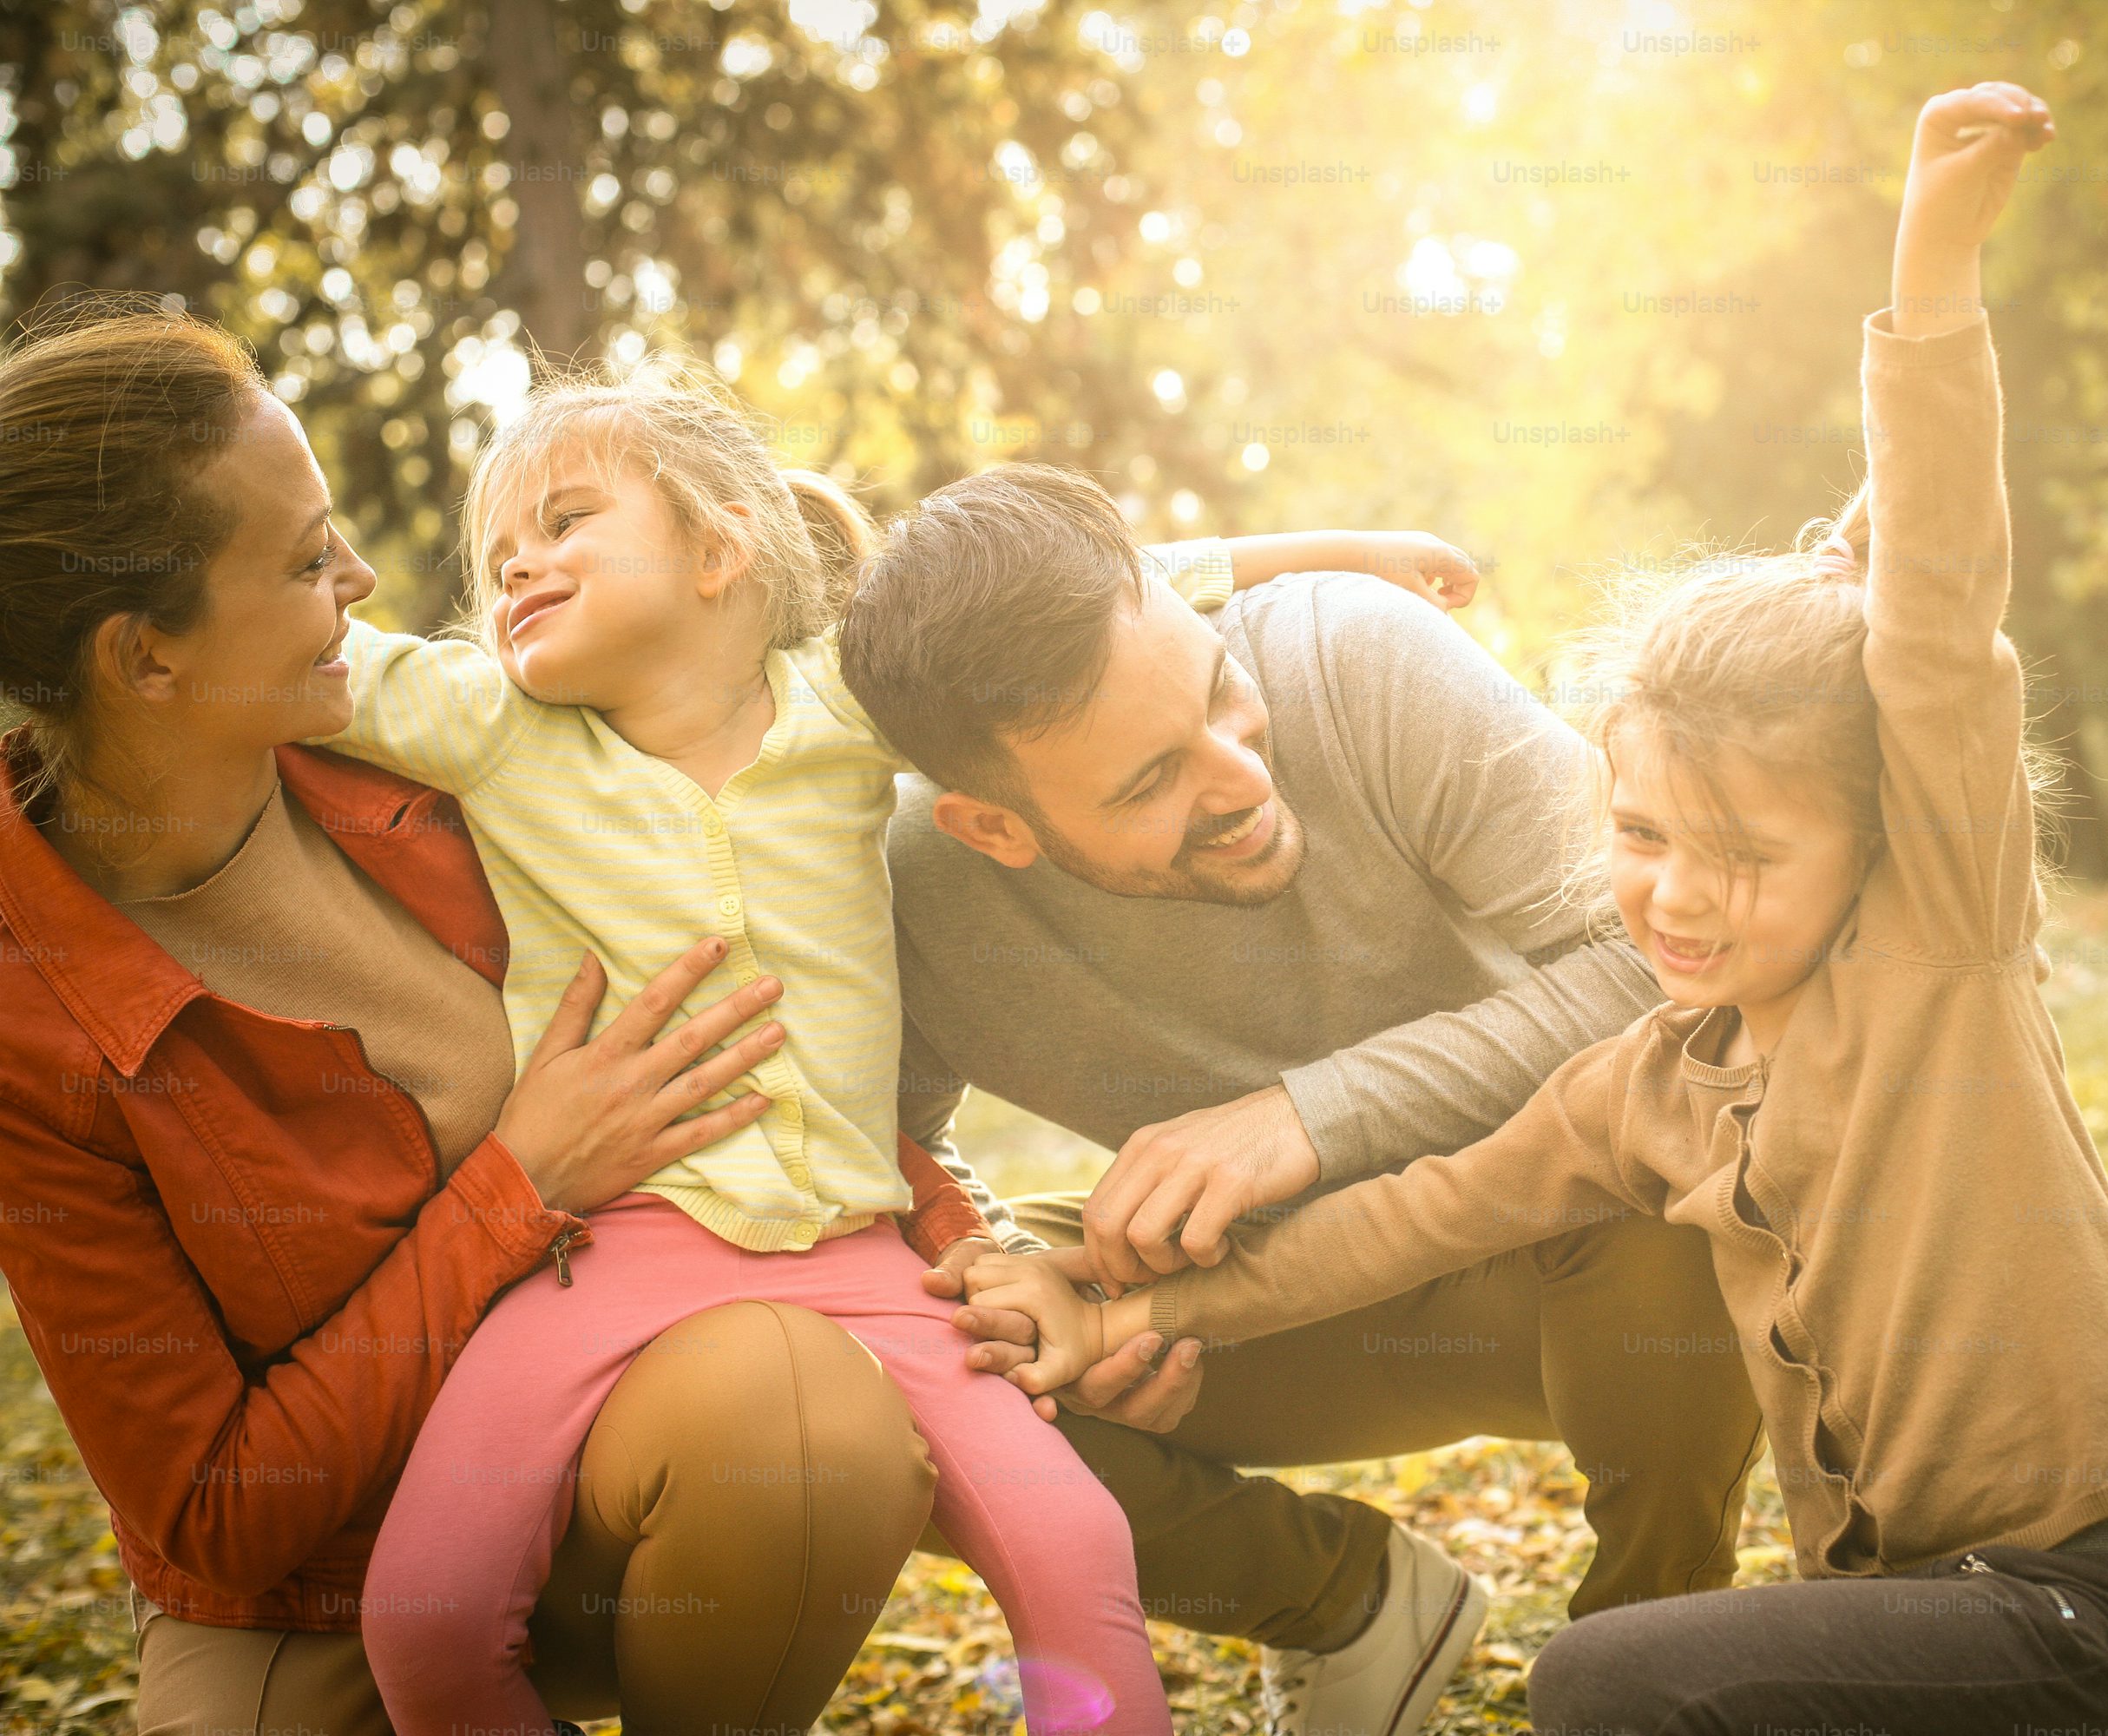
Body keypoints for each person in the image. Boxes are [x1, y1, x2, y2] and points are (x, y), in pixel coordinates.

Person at [965, 82, 2108, 1736]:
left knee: (1610, 1683)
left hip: (2089, 1611)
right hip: (1918, 1626)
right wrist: (1123, 1308)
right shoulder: (1650, 1084)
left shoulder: (1943, 954)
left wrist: (1930, 269)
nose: (1678, 896)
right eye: (1639, 832)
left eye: (1745, 856)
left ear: (1873, 837)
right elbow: (1393, 1222)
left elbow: (1935, 614)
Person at [318, 358, 1474, 1736]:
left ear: (716, 546)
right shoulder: (492, 729)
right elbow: (297, 665)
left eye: (564, 523)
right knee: (427, 1624)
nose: (517, 567)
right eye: (498, 554)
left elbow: (1080, 608)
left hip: (865, 1259)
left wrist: (1343, 556)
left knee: (1075, 1549)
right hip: (605, 1253)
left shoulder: (840, 712)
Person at [0, 303, 963, 1736]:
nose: (365, 576)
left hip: (628, 1463)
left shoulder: (457, 759)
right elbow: (214, 1508)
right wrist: (516, 1185)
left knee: (800, 1422)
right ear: (147, 660)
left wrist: (960, 1237)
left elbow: (756, 1015)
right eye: (304, 558)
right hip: (319, 1591)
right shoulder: (28, 1022)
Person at [850, 465, 1763, 1735]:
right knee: (902, 1356)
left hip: (1584, 1269)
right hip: (1267, 1304)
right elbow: (877, 1150)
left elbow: (1661, 976)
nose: (1239, 779)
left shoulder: (1358, 656)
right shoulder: (905, 891)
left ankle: (1645, 1656)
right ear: (991, 828)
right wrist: (1013, 1270)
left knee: (1668, 1140)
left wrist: (1305, 1114)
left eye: (1220, 692)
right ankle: (1345, 1603)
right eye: (1147, 782)